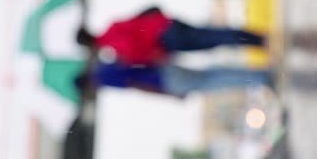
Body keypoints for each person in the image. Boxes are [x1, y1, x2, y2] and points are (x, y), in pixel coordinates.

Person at [76, 6, 265, 65]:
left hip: (167, 40)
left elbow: (140, 51)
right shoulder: (113, 25)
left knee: (212, 40)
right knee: (210, 33)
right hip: (166, 23)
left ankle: (258, 41)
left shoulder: (115, 48)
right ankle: (255, 37)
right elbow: (142, 16)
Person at [75, 61, 274, 98]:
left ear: (87, 85)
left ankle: (260, 79)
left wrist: (168, 95)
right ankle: (259, 74)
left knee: (216, 82)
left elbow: (137, 84)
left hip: (166, 83)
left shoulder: (105, 79)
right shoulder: (104, 65)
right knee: (213, 73)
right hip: (165, 69)